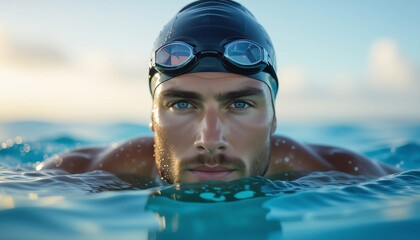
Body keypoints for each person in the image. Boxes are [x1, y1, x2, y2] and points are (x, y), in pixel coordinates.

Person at [39, 0, 396, 184]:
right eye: (182, 103)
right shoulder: (75, 173)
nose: (210, 140)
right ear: (152, 116)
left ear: (273, 118)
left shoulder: (347, 174)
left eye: (240, 103)